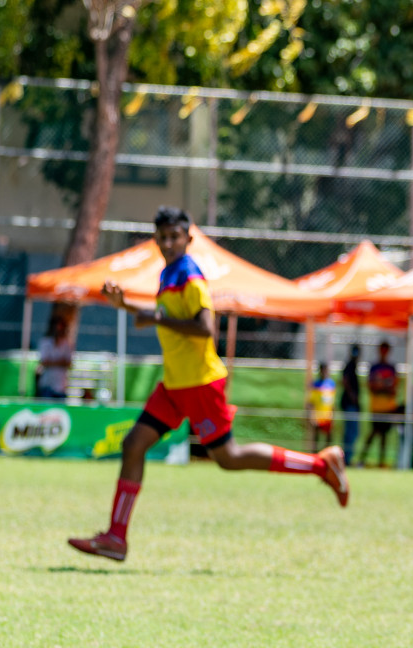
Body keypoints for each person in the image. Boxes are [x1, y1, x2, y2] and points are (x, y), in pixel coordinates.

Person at [67, 207, 348, 561]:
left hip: (199, 383)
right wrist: (125, 305)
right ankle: (116, 537)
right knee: (134, 444)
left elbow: (205, 329)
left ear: (189, 238)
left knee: (228, 458)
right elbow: (167, 318)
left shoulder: (190, 275)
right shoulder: (169, 274)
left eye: (174, 237)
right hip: (175, 384)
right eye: (162, 237)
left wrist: (155, 317)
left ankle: (321, 465)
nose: (168, 243)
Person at [360, 341, 399, 467]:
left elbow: (393, 388)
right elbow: (372, 387)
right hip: (376, 407)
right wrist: (384, 386)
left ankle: (381, 462)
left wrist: (381, 385)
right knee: (372, 434)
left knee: (384, 437)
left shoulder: (392, 368)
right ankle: (361, 459)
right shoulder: (374, 367)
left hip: (388, 407)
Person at [35, 312, 74, 400]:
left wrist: (52, 362)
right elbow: (44, 362)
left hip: (61, 385)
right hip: (47, 384)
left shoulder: (67, 344)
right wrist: (60, 362)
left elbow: (68, 363)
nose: (58, 330)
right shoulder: (45, 342)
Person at [340, 344, 362, 464]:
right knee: (350, 433)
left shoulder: (353, 366)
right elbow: (345, 380)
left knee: (353, 433)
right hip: (350, 405)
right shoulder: (350, 365)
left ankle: (347, 458)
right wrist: (352, 395)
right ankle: (346, 459)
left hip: (352, 405)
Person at [307, 363, 337, 453]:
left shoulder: (331, 384)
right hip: (318, 415)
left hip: (328, 415)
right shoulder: (316, 384)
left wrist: (333, 415)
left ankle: (327, 455)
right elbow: (311, 402)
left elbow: (332, 402)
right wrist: (312, 416)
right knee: (316, 437)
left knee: (329, 437)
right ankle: (315, 456)